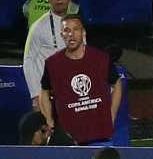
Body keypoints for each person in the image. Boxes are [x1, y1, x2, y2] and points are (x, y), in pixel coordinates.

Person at [39, 14, 122, 146]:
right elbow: (44, 92)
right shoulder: (52, 64)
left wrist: (111, 115)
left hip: (100, 136)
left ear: (83, 32)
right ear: (61, 35)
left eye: (76, 29)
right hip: (68, 140)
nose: (71, 34)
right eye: (67, 30)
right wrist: (49, 121)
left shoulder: (101, 58)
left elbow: (117, 83)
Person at [23, 0, 75, 109]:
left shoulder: (77, 25)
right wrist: (35, 95)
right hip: (47, 95)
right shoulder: (38, 26)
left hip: (72, 91)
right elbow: (28, 61)